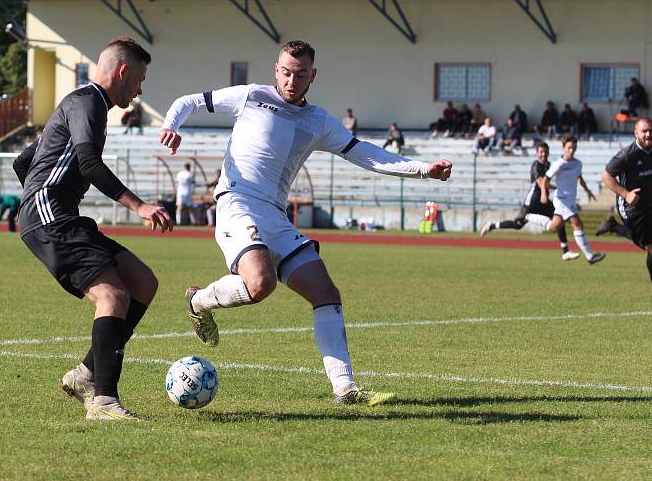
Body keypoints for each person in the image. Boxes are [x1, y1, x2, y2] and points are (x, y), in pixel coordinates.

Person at [159, 40, 452, 406]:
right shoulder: (250, 96)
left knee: (325, 293)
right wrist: (172, 125)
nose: (291, 80)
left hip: (275, 216)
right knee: (261, 284)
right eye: (285, 71)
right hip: (237, 203)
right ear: (275, 69)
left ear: (312, 76)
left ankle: (345, 390)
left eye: (300, 74)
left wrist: (424, 169)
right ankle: (200, 300)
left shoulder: (318, 121)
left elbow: (365, 154)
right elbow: (188, 101)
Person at [13, 37, 172, 421]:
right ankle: (103, 400)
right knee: (113, 295)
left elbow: (23, 162)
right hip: (52, 215)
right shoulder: (89, 103)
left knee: (143, 282)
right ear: (123, 72)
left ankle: (86, 374)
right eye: (140, 79)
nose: (140, 90)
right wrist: (140, 206)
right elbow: (88, 163)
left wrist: (37, 200)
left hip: (54, 213)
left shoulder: (80, 104)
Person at [480, 142, 579, 261]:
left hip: (544, 201)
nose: (544, 154)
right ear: (537, 153)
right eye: (541, 152)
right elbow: (541, 182)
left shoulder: (548, 165)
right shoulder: (536, 165)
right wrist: (556, 188)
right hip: (532, 201)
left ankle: (566, 251)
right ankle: (491, 225)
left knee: (558, 220)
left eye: (546, 152)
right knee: (517, 225)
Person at [596, 118, 652, 281]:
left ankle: (613, 226)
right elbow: (606, 177)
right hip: (632, 208)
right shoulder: (627, 155)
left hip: (649, 204)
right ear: (636, 133)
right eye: (644, 131)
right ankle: (615, 226)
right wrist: (626, 194)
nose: (648, 134)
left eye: (651, 131)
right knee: (649, 246)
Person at [538, 135, 605, 265]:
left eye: (574, 148)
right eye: (569, 148)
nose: (571, 151)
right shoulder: (558, 164)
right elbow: (545, 180)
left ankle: (530, 217)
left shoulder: (578, 163)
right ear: (564, 148)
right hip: (561, 200)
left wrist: (588, 191)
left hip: (570, 201)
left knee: (554, 226)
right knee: (577, 224)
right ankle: (590, 256)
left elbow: (579, 178)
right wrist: (544, 194)